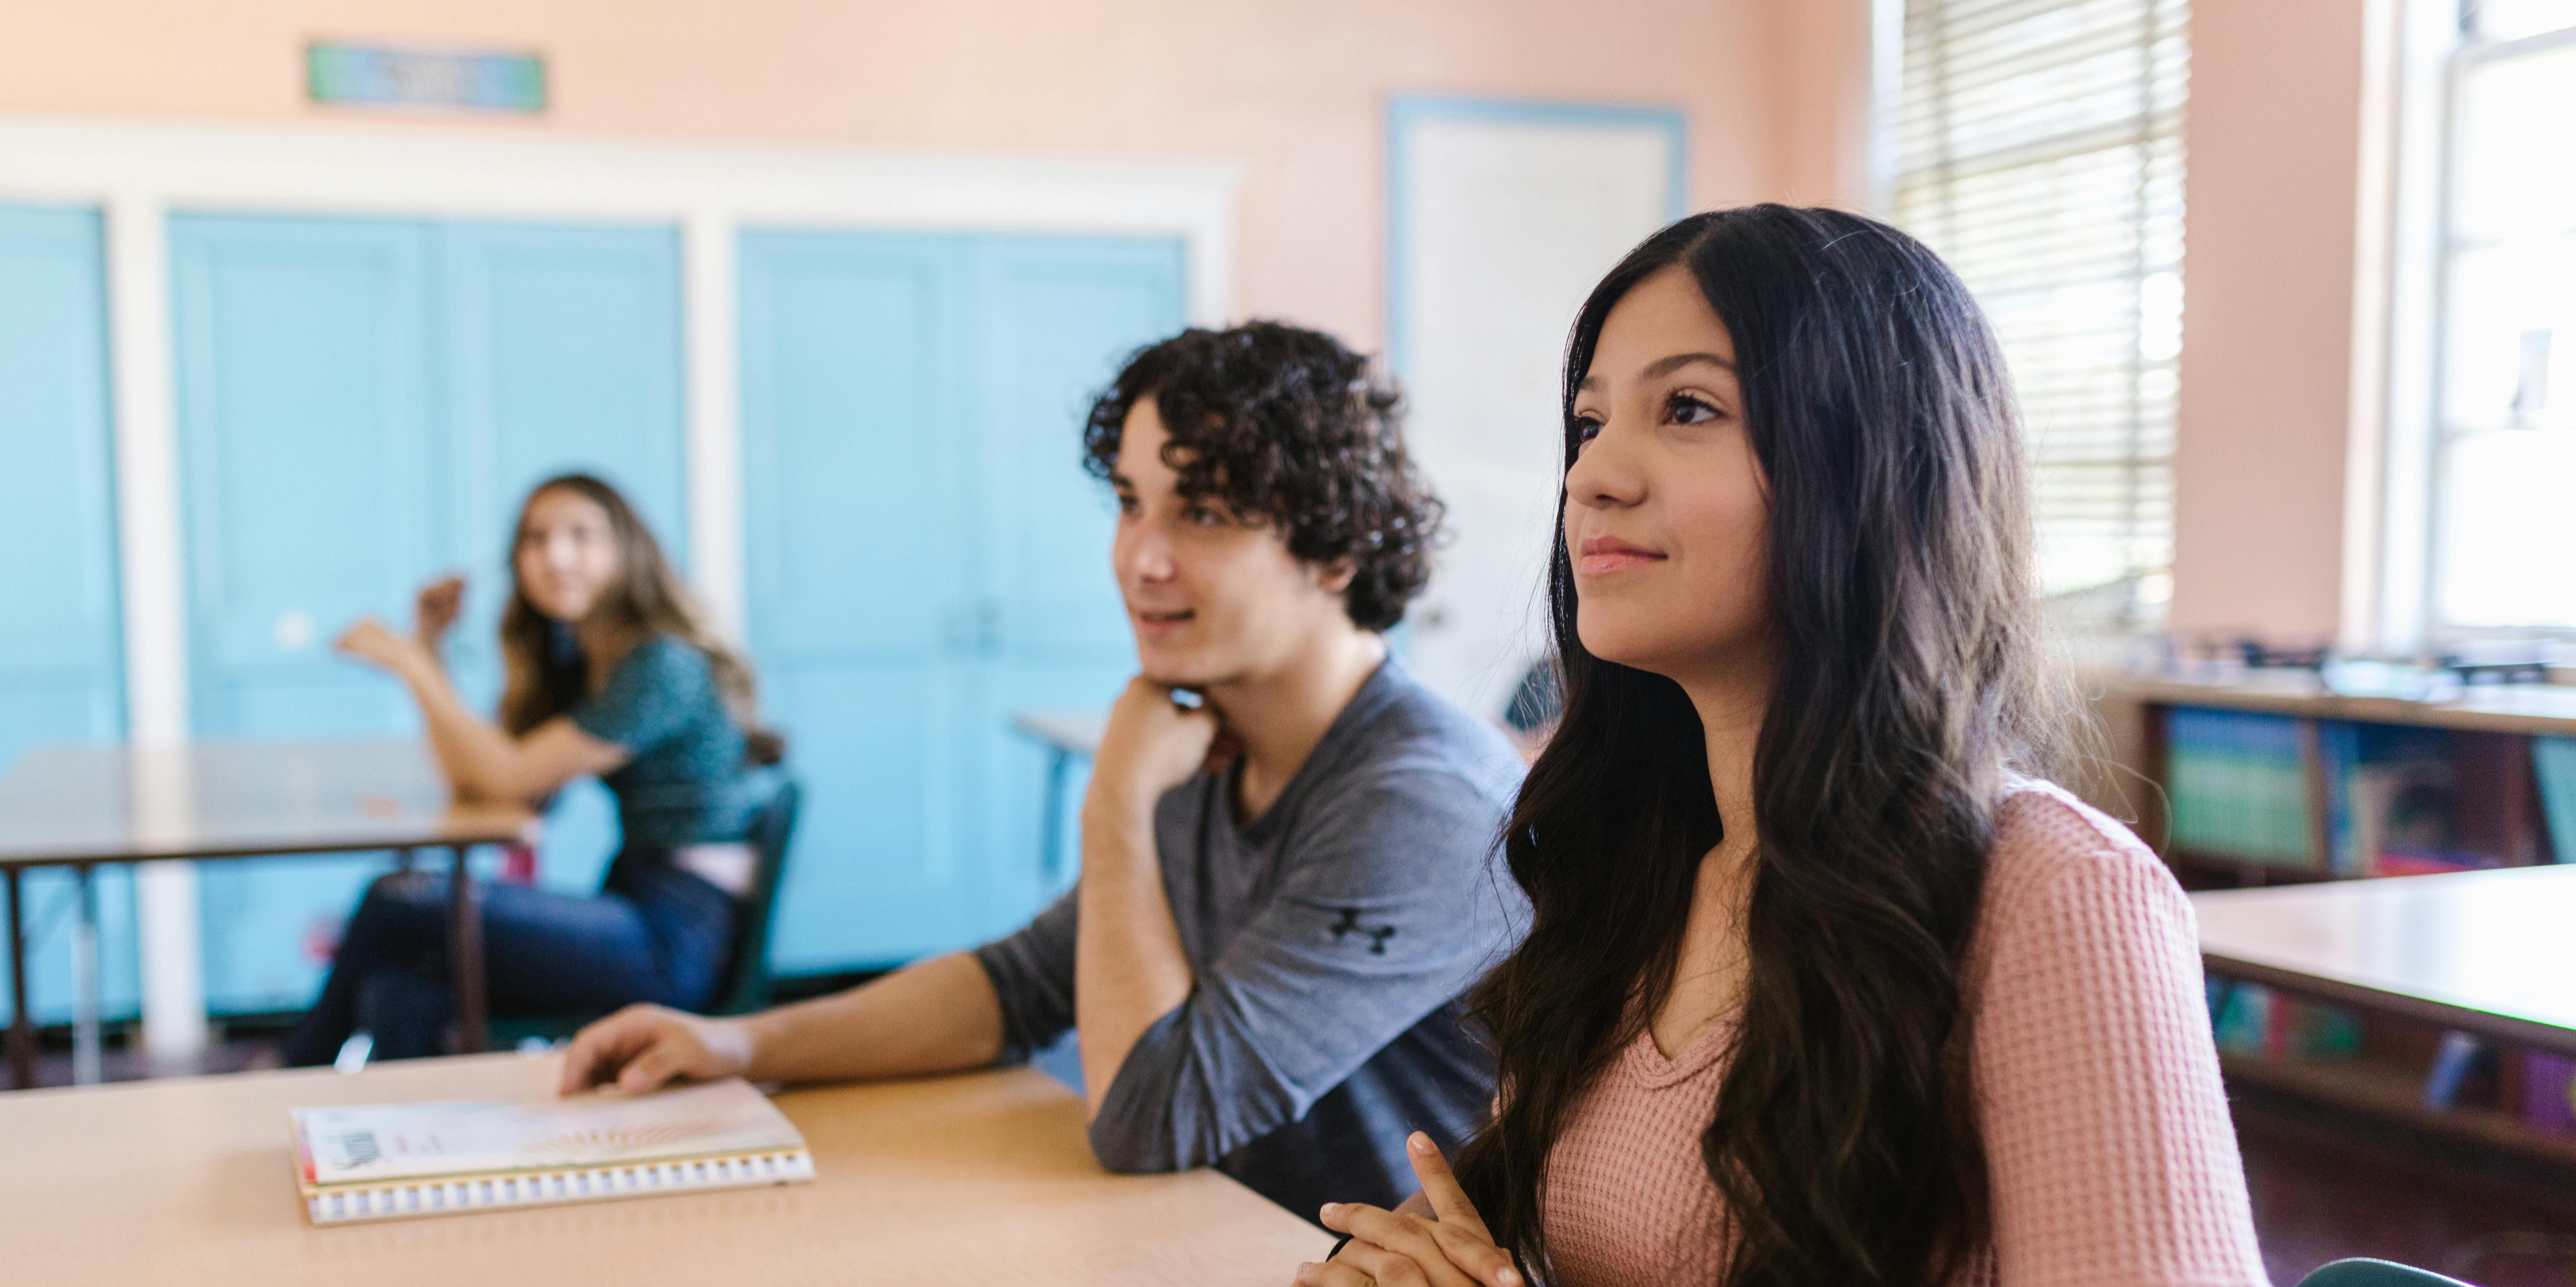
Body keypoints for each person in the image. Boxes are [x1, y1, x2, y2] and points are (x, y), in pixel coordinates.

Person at [1301, 207, 2267, 1287]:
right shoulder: (1639, 863)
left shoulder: (2059, 894)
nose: (1593, 475)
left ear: (1873, 468)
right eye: (1587, 423)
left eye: (1688, 408)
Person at [561, 322, 1527, 1219]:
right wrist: (739, 1044)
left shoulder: (1422, 799)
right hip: (1210, 1241)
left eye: (1201, 513)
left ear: (1334, 549)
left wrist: (1114, 807)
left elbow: (1149, 1118)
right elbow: (1018, 985)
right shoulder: (1208, 738)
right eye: (1128, 503)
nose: (1139, 559)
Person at [282, 474, 782, 1067]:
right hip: (635, 905)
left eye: (581, 536)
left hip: (675, 937)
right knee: (398, 991)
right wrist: (428, 646)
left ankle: (289, 1080)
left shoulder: (660, 666)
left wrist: (413, 666)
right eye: (535, 540)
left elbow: (509, 778)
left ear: (628, 550)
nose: (556, 556)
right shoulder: (585, 662)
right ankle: (402, 1147)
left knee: (396, 902)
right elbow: (482, 781)